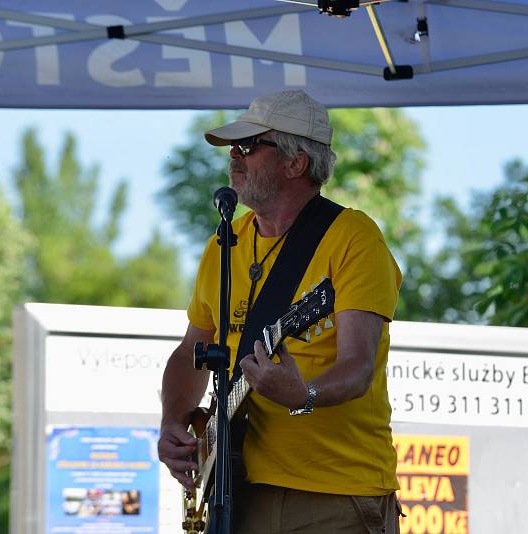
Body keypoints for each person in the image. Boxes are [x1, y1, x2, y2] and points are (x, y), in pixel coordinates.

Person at [158, 90, 403, 533]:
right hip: (238, 488)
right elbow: (191, 351)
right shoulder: (222, 244)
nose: (234, 156)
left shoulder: (353, 237)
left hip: (333, 492)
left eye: (249, 146)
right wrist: (173, 423)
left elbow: (357, 366)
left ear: (296, 163)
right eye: (234, 147)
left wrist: (303, 395)